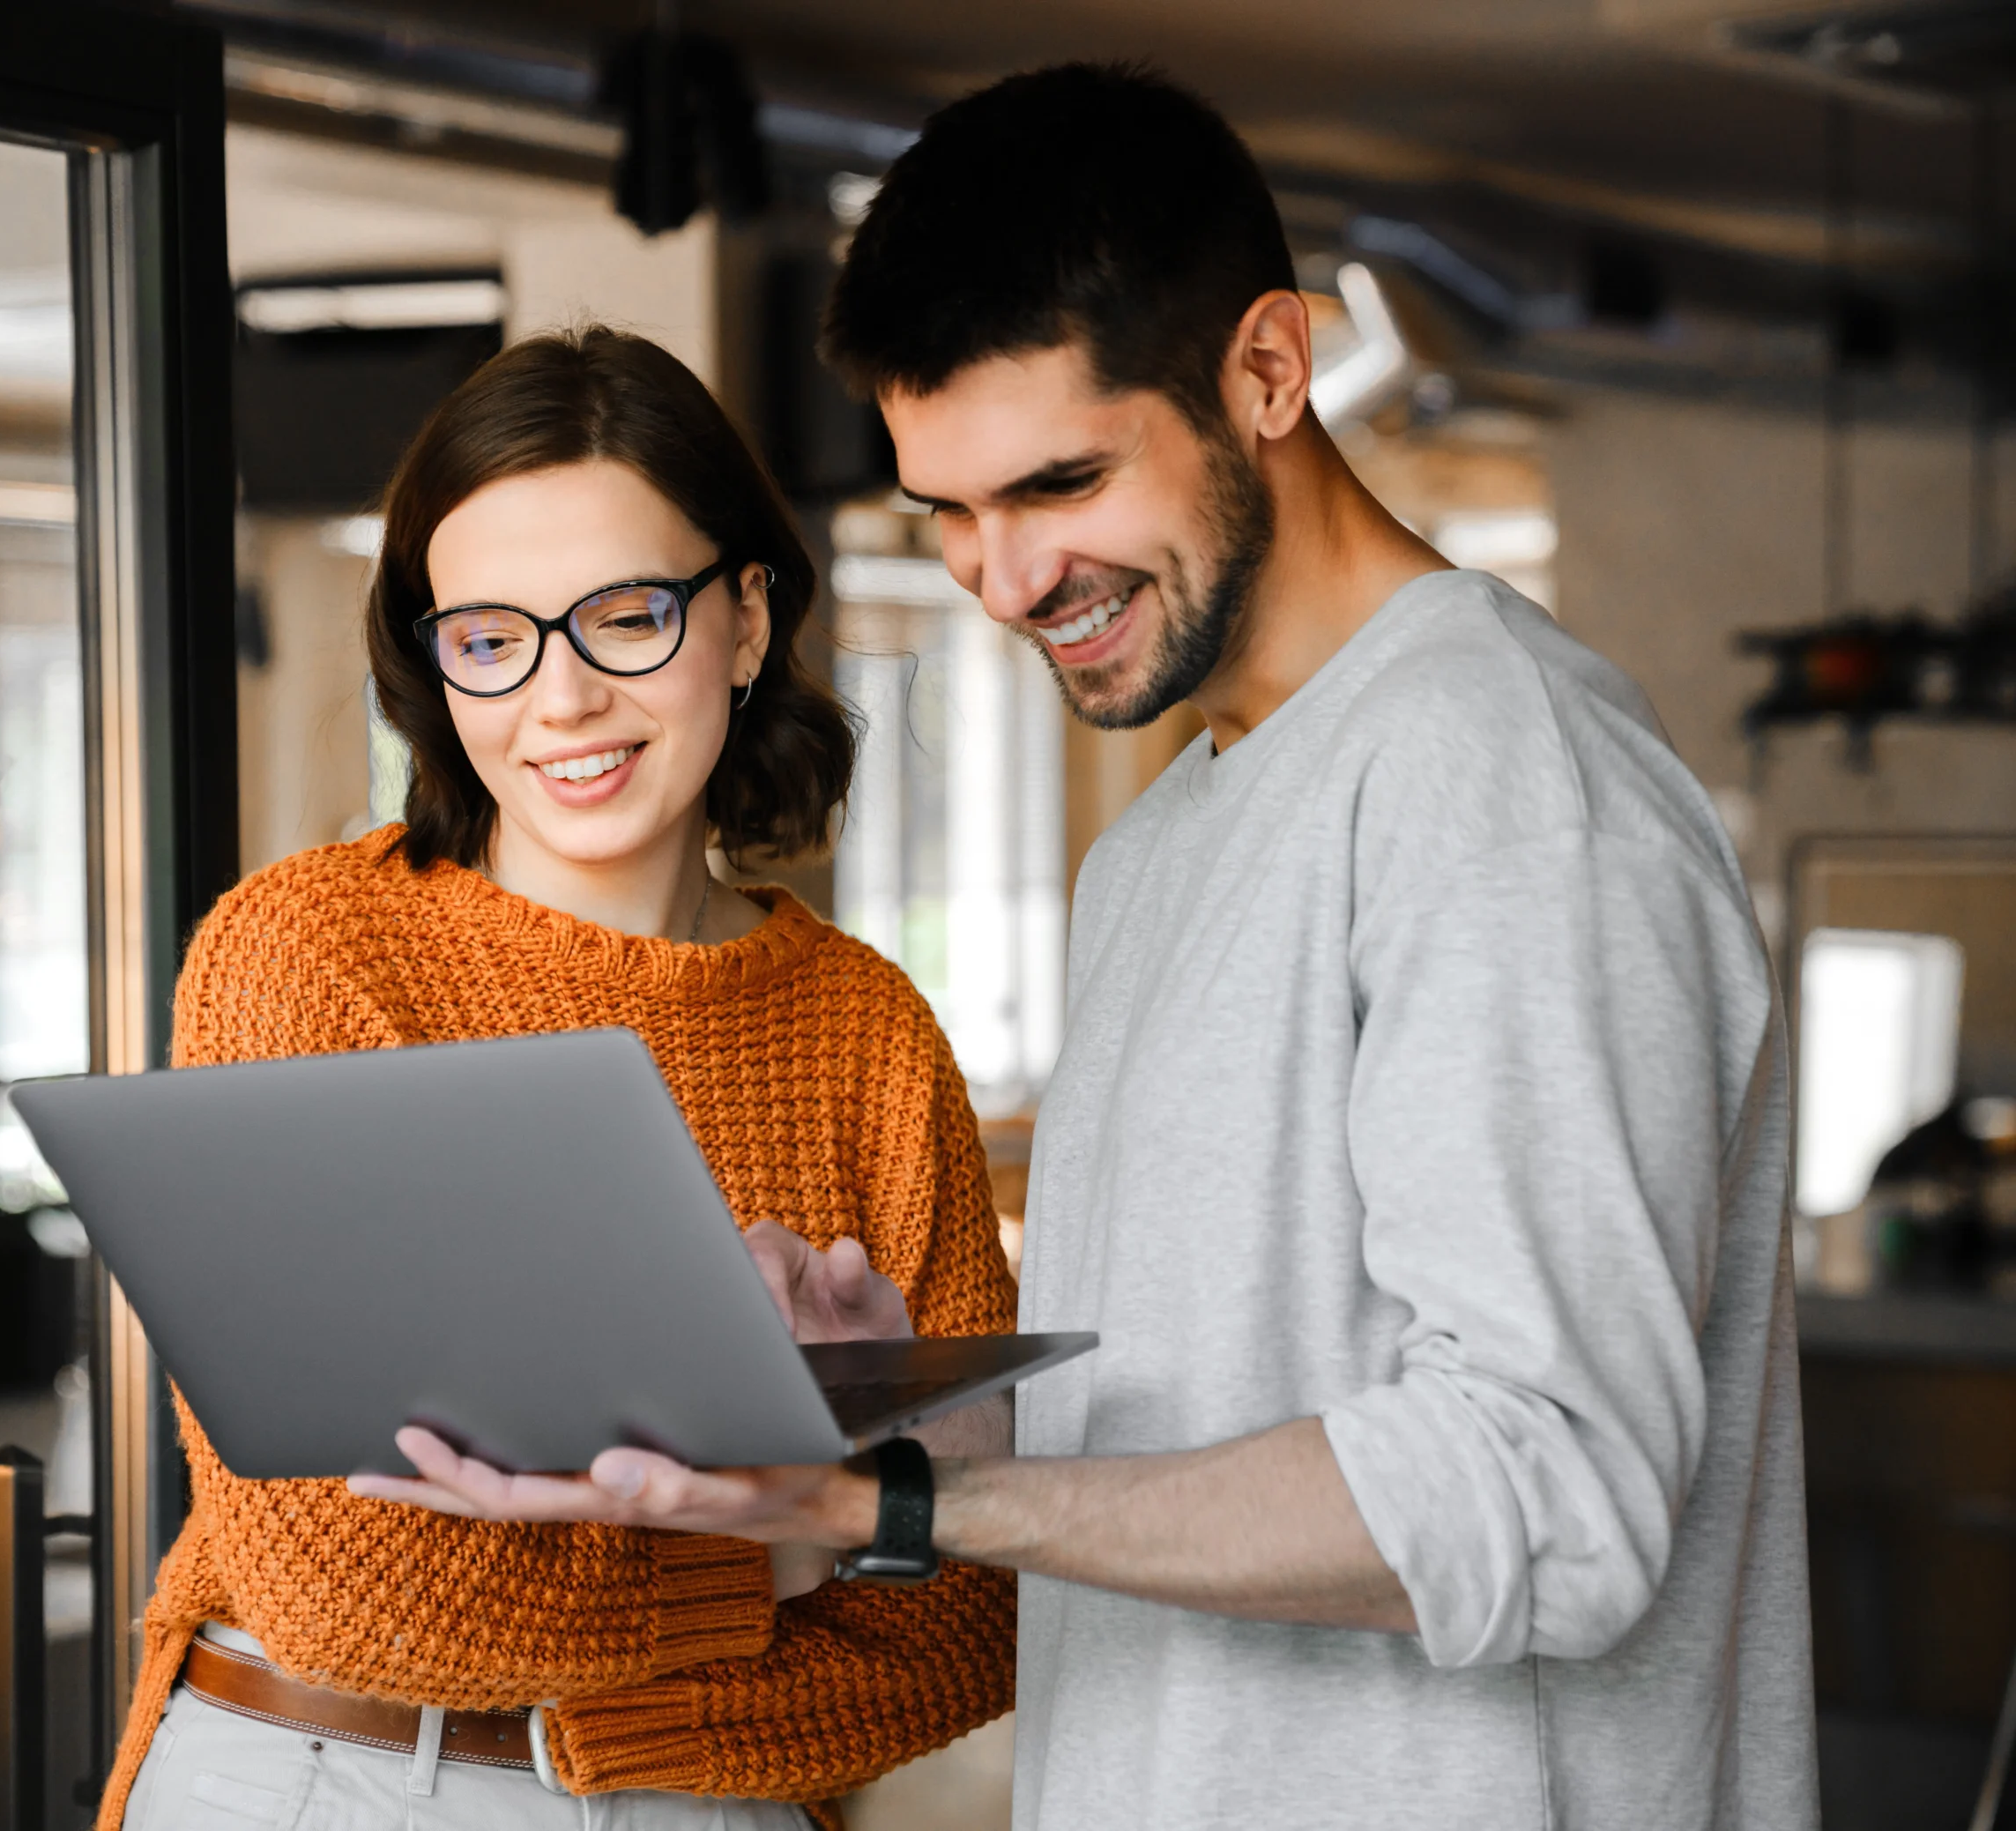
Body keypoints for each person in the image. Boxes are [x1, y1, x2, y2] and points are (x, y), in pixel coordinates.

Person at [358, 64, 1817, 1831]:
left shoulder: (1504, 784)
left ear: (1266, 372)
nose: (1001, 575)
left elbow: (1553, 1497)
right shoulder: (1158, 850)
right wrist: (889, 1429)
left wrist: (901, 1515)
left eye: (1056, 482)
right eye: (944, 512)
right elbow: (1196, 1449)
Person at [103, 326, 1018, 1831]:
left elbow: (964, 1624)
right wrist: (805, 1541)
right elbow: (343, 1587)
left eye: (625, 617)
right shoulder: (316, 958)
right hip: (326, 1781)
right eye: (492, 638)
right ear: (438, 663)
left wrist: (827, 1537)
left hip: (717, 1810)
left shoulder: (867, 1032)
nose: (563, 697)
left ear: (742, 616)